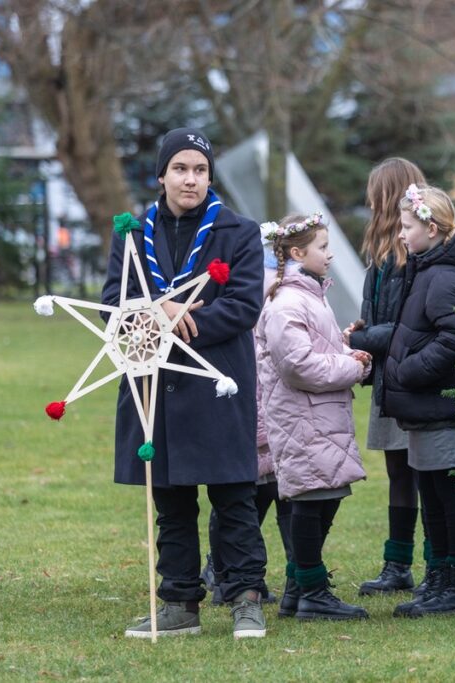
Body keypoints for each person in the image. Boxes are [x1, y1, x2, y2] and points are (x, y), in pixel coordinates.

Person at [102, 127, 267, 639]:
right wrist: (157, 312)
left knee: (234, 497)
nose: (190, 179)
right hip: (154, 382)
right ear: (161, 175)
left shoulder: (238, 231)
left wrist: (184, 323)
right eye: (180, 168)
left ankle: (245, 598)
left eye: (199, 169)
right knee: (170, 500)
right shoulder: (132, 232)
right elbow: (114, 300)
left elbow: (243, 305)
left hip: (217, 381)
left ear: (209, 177)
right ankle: (178, 602)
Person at [382, 184, 455, 618]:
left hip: (441, 404)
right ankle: (439, 576)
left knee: (447, 492)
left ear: (431, 226)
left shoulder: (444, 274)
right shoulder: (428, 266)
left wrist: (409, 372)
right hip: (426, 407)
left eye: (407, 226)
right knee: (431, 490)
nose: (401, 235)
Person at [259, 213, 372, 620]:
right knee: (311, 501)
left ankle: (297, 590)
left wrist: (347, 353)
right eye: (323, 247)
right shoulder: (287, 301)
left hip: (321, 418)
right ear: (296, 252)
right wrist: (353, 369)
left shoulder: (310, 296)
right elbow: (298, 365)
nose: (330, 254)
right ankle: (311, 591)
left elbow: (319, 348)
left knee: (325, 499)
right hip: (302, 419)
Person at [346, 158, 432, 596]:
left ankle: (437, 566)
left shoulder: (415, 256)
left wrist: (369, 337)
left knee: (426, 474)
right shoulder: (380, 255)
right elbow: (379, 316)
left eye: (374, 192)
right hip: (388, 380)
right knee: (399, 474)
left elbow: (409, 324)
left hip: (412, 379)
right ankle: (397, 564)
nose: (369, 200)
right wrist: (359, 333)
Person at [201, 232, 293, 608]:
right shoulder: (257, 296)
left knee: (258, 499)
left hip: (269, 423)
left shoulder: (277, 296)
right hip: (254, 420)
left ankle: (229, 572)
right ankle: (223, 572)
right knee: (242, 502)